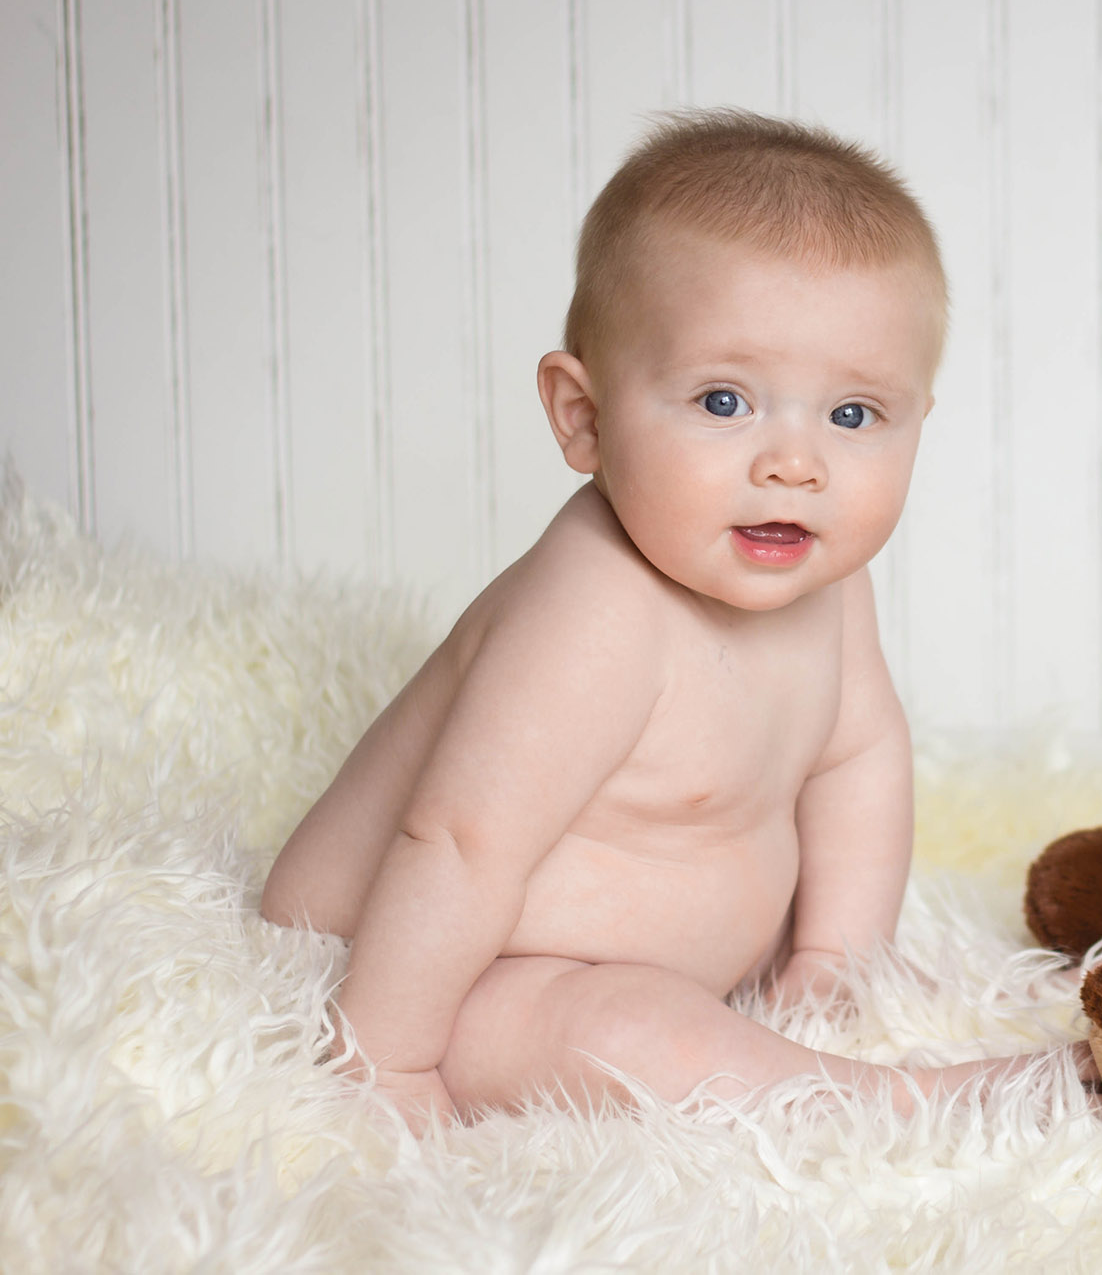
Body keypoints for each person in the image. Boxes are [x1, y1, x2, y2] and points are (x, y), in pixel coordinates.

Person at [262, 108, 1033, 1128]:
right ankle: (892, 1106)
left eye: (853, 416)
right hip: (436, 971)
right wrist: (388, 1061)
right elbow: (458, 844)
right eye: (724, 401)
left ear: (915, 423)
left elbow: (857, 758)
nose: (794, 464)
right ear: (583, 417)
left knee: (661, 1011)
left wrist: (835, 957)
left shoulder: (822, 577)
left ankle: (815, 1037)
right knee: (628, 1035)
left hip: (643, 960)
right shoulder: (595, 611)